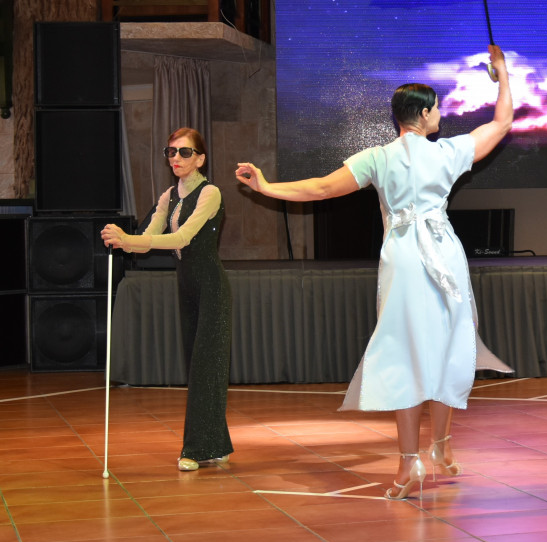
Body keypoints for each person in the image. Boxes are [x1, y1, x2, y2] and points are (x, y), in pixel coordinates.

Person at [235, 45, 514, 500]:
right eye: (437, 108)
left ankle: (413, 460)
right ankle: (439, 446)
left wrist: (267, 186)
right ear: (423, 114)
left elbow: (321, 188)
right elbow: (501, 123)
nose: (440, 113)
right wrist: (502, 73)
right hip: (443, 253)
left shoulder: (379, 157)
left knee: (406, 351)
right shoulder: (447, 152)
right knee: (447, 346)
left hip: (405, 259)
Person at [101, 127, 233, 472]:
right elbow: (148, 239)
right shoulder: (168, 196)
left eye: (184, 152)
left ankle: (196, 449)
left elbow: (182, 238)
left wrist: (128, 239)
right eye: (171, 152)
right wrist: (122, 240)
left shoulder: (210, 193)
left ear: (200, 159)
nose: (176, 158)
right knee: (198, 366)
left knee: (206, 367)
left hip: (211, 286)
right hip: (186, 285)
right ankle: (217, 443)